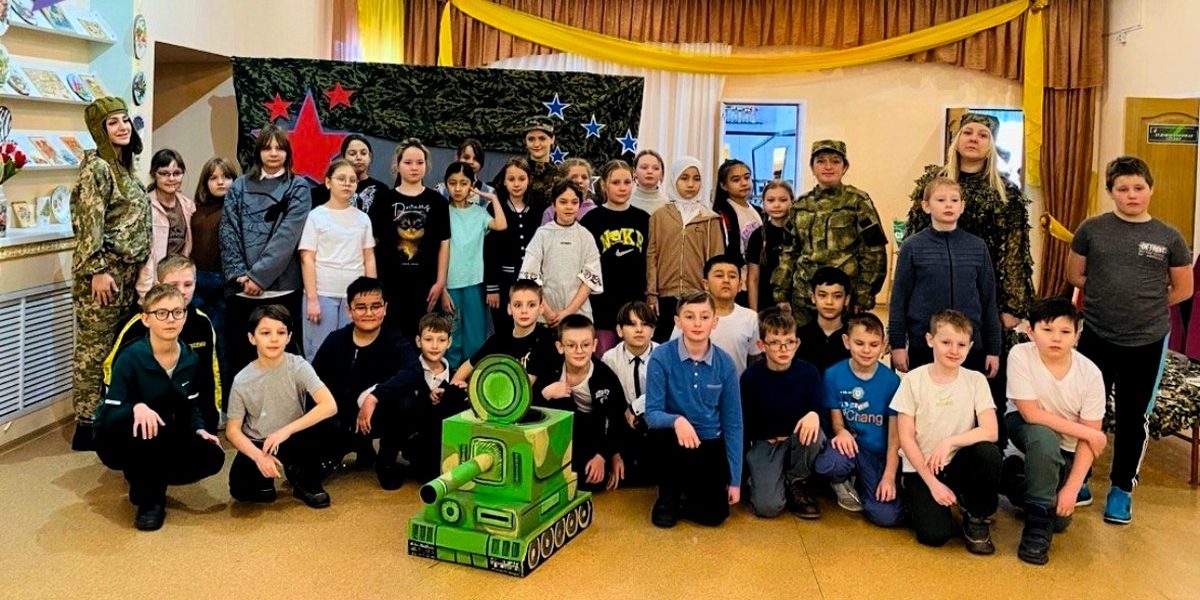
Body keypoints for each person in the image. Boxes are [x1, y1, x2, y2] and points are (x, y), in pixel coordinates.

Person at [1066, 155, 1192, 525]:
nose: (1131, 195)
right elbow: (1075, 275)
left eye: (1138, 187)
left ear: (1150, 189)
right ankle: (1080, 479)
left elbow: (1183, 289)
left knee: (1134, 416)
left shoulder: (1169, 237)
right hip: (1096, 335)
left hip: (1147, 342)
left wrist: (1147, 304)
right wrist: (1106, 295)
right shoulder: (1092, 229)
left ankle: (1122, 488)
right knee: (1087, 412)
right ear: (1111, 192)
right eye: (1123, 189)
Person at [906, 112, 1035, 443]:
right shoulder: (931, 185)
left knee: (982, 384)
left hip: (983, 302)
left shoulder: (1006, 192)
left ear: (991, 144)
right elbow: (913, 239)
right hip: (932, 300)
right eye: (968, 132)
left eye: (982, 134)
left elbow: (1016, 252)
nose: (974, 139)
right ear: (956, 139)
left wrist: (1012, 306)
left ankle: (984, 453)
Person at [92, 284, 225, 531]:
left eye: (177, 312)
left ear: (185, 316)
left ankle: (149, 479)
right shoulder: (130, 357)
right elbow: (109, 414)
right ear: (146, 319)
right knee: (146, 430)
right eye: (161, 313)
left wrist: (199, 429)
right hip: (123, 432)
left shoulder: (189, 358)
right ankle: (150, 500)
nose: (170, 319)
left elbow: (189, 406)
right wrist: (136, 408)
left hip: (164, 427)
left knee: (212, 456)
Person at [70, 96, 151, 450]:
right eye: (112, 122)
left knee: (116, 346)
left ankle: (109, 414)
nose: (122, 127)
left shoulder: (124, 167)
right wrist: (98, 270)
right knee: (95, 348)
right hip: (104, 274)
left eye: (124, 120)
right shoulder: (97, 168)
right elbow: (89, 225)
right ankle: (86, 425)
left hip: (126, 274)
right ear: (99, 130)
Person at [1001, 298, 1107, 564]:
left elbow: (1089, 443)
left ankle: (1012, 479)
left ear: (1076, 335)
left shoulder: (1091, 374)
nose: (1056, 338)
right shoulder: (1020, 355)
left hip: (1067, 447)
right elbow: (1031, 414)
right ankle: (1036, 531)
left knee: (1060, 520)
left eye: (1065, 331)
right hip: (1025, 428)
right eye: (1047, 330)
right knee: (1044, 438)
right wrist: (1088, 432)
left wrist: (1072, 488)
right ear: (1031, 331)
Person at [891, 310, 1002, 554]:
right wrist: (932, 484)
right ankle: (916, 496)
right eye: (946, 342)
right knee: (935, 535)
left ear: (970, 346)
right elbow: (906, 438)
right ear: (930, 340)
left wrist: (949, 442)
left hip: (957, 462)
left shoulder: (975, 380)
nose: (954, 350)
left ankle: (976, 516)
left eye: (961, 345)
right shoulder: (913, 380)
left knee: (988, 453)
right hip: (922, 468)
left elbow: (991, 431)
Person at [310, 277, 422, 490]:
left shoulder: (394, 339)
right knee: (312, 469)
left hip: (378, 416)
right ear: (349, 311)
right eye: (361, 307)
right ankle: (357, 446)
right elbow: (314, 381)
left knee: (406, 400)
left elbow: (414, 370)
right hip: (342, 418)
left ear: (385, 308)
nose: (369, 313)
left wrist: (375, 396)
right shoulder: (335, 340)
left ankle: (386, 460)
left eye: (375, 306)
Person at [219, 124, 311, 380]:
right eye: (267, 148)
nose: (273, 153)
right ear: (258, 151)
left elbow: (287, 237)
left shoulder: (298, 186)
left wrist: (258, 277)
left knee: (282, 366)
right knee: (241, 362)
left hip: (282, 291)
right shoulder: (239, 186)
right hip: (242, 290)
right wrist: (240, 275)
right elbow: (228, 232)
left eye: (279, 148)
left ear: (287, 153)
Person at [225, 305, 341, 509]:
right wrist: (258, 456)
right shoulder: (242, 379)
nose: (274, 339)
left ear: (289, 337)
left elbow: (329, 405)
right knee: (241, 491)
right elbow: (232, 430)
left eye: (281, 332)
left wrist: (285, 431)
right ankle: (264, 479)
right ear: (252, 338)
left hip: (293, 435)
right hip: (260, 441)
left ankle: (302, 477)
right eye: (265, 333)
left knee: (327, 429)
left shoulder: (298, 366)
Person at [646, 292, 744, 528]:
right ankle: (668, 495)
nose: (697, 323)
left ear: (714, 321)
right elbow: (652, 413)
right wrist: (677, 421)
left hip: (709, 442)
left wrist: (735, 480)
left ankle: (688, 495)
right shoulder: (661, 357)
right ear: (678, 321)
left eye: (704, 317)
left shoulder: (725, 364)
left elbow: (733, 424)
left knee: (715, 516)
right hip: (673, 440)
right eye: (689, 317)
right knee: (661, 437)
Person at [889, 177, 1001, 379]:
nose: (948, 205)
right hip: (924, 346)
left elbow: (988, 301)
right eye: (941, 200)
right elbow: (899, 300)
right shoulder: (912, 247)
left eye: (954, 200)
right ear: (926, 206)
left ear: (962, 206)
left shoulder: (977, 247)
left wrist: (993, 349)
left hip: (968, 347)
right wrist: (897, 345)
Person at [774, 140, 888, 327]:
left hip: (843, 297)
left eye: (835, 161)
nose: (828, 167)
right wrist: (781, 292)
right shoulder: (800, 205)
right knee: (804, 344)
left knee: (842, 344)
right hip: (803, 295)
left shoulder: (858, 202)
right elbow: (789, 252)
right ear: (812, 167)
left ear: (845, 167)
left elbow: (874, 250)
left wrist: (865, 293)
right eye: (821, 161)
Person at [104, 255, 222, 432]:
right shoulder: (135, 326)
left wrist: (209, 424)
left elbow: (210, 378)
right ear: (158, 285)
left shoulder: (202, 323)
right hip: (141, 418)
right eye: (173, 285)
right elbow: (112, 378)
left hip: (187, 417)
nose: (182, 291)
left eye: (188, 284)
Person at [813, 313, 904, 527]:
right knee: (828, 464)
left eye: (873, 344)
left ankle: (865, 483)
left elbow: (895, 438)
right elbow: (836, 420)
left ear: (884, 344)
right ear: (847, 342)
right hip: (850, 447)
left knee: (886, 516)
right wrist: (841, 431)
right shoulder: (833, 375)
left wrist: (889, 476)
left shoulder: (892, 382)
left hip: (877, 455)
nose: (866, 350)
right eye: (859, 343)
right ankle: (841, 481)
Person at [740, 308, 827, 519]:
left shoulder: (809, 372)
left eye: (789, 342)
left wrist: (814, 414)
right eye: (775, 343)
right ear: (761, 345)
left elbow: (822, 413)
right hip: (767, 443)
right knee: (767, 507)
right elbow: (745, 423)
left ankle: (797, 480)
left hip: (798, 441)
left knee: (814, 429)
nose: (783, 349)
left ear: (797, 343)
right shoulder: (751, 377)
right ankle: (767, 480)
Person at [535, 315, 628, 492]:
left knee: (592, 480)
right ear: (560, 347)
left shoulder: (605, 376)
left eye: (585, 345)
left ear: (594, 345)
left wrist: (604, 455)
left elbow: (617, 420)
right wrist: (546, 394)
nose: (579, 351)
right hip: (557, 436)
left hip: (591, 435)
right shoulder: (549, 369)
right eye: (571, 345)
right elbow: (530, 409)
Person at [368, 138, 451, 338]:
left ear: (426, 165)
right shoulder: (383, 200)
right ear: (397, 165)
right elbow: (371, 245)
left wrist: (440, 282)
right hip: (390, 284)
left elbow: (444, 243)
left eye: (419, 162)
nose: (414, 167)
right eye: (408, 162)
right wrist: (374, 284)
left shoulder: (438, 202)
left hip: (426, 286)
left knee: (423, 336)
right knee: (391, 338)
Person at [299, 159, 377, 360]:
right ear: (328, 182)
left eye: (352, 180)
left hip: (353, 297)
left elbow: (369, 258)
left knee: (350, 353)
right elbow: (307, 258)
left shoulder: (363, 219)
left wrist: (371, 297)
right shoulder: (316, 216)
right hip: (322, 294)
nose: (347, 184)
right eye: (341, 179)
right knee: (319, 353)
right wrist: (312, 299)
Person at [645, 156, 725, 342]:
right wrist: (652, 294)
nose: (690, 184)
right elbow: (652, 256)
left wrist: (712, 295)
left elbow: (717, 260)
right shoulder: (659, 216)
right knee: (665, 345)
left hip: (699, 295)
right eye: (684, 178)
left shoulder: (710, 219)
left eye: (696, 179)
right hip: (665, 296)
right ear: (674, 179)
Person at [581, 159, 650, 355]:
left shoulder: (643, 219)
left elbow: (651, 260)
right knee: (604, 359)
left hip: (635, 305)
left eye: (627, 182)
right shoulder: (591, 220)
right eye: (615, 182)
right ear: (604, 185)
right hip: (602, 307)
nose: (622, 188)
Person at [445, 161, 507, 367]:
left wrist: (492, 198)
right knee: (452, 332)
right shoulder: (443, 212)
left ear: (472, 186)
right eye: (452, 183)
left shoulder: (479, 213)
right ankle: (451, 373)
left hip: (474, 282)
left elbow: (501, 224)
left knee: (475, 333)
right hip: (450, 284)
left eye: (464, 183)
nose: (457, 188)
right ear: (446, 184)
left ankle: (472, 373)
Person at [519, 179, 603, 325]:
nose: (569, 207)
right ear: (554, 204)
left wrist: (567, 313)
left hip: (578, 316)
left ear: (580, 204)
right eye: (563, 202)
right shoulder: (542, 234)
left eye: (574, 202)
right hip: (544, 316)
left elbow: (590, 279)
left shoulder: (586, 236)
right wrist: (548, 312)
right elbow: (529, 276)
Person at [451, 279, 559, 386]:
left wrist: (474, 389)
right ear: (509, 309)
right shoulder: (499, 339)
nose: (524, 311)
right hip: (497, 393)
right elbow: (468, 366)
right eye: (518, 305)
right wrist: (456, 387)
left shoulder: (546, 340)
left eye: (531, 305)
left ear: (541, 308)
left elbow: (524, 387)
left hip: (528, 396)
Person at [402, 312, 468, 481]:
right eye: (428, 339)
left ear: (449, 342)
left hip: (444, 443)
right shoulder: (408, 371)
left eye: (441, 340)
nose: (434, 346)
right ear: (418, 341)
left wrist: (462, 392)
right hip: (416, 438)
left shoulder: (454, 376)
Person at [601, 301, 659, 489]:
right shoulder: (610, 358)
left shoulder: (664, 354)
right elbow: (609, 406)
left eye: (645, 324)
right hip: (623, 425)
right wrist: (613, 452)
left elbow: (665, 393)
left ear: (653, 330)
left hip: (656, 422)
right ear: (619, 330)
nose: (639, 330)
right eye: (632, 324)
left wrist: (636, 408)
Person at [672, 255, 761, 376]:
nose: (726, 280)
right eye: (719, 276)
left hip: (735, 385)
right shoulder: (689, 315)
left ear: (740, 285)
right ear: (706, 284)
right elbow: (673, 355)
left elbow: (755, 360)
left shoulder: (750, 318)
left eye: (732, 276)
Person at [190, 157, 240, 375]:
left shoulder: (237, 210)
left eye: (226, 177)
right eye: (214, 178)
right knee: (198, 339)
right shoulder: (195, 210)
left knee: (223, 343)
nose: (220, 182)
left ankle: (225, 391)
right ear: (205, 182)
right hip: (197, 282)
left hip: (225, 284)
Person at [484, 157, 539, 336]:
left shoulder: (536, 208)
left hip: (530, 280)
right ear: (504, 181)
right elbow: (489, 249)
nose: (516, 184)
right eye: (511, 179)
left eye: (521, 179)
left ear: (529, 180)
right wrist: (492, 287)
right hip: (503, 282)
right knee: (504, 329)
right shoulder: (496, 208)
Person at [136, 149, 194, 298]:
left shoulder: (187, 205)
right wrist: (145, 292)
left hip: (177, 279)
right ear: (154, 174)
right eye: (164, 173)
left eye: (177, 173)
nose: (171, 178)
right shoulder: (144, 205)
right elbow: (144, 256)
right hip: (152, 281)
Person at [712, 158, 762, 305]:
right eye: (736, 180)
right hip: (738, 283)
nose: (744, 183)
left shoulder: (759, 211)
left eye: (747, 177)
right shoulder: (722, 213)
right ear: (723, 185)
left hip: (759, 279)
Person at [310, 133, 391, 213]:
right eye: (352, 154)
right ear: (343, 157)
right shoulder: (323, 191)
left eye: (363, 153)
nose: (358, 157)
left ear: (370, 157)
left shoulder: (382, 190)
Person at [795, 266, 853, 372]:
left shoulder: (854, 340)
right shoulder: (798, 338)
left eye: (837, 296)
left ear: (847, 299)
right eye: (822, 295)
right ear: (813, 297)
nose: (829, 302)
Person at [746, 180, 791, 311]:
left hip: (796, 305)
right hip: (766, 305)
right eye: (771, 200)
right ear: (763, 203)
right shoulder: (757, 236)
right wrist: (753, 313)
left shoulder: (798, 233)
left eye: (783, 200)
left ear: (792, 201)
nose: (777, 205)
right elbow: (753, 279)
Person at [436, 138, 497, 206]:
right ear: (457, 158)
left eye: (476, 159)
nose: (471, 162)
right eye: (466, 157)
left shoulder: (489, 192)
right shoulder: (441, 190)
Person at [541, 158, 598, 225]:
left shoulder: (596, 212)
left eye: (584, 177)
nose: (579, 181)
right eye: (574, 177)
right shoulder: (550, 212)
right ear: (562, 180)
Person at [630, 149, 669, 216]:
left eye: (656, 168)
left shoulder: (668, 206)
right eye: (644, 167)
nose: (650, 171)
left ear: (661, 174)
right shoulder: (624, 202)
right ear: (634, 172)